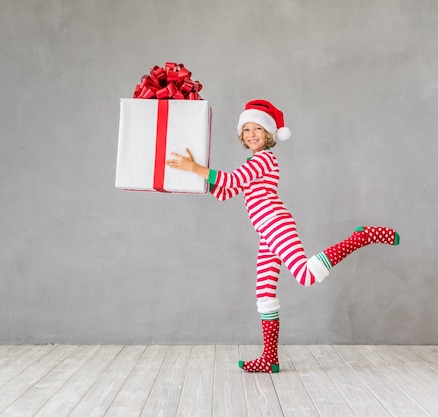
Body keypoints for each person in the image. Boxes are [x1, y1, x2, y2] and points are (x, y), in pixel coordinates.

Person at [166, 99, 399, 373]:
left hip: (276, 223)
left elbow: (229, 180)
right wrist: (194, 179)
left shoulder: (264, 159)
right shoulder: (252, 162)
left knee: (306, 276)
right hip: (267, 232)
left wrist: (194, 169)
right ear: (242, 135)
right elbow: (225, 191)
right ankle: (270, 358)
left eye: (258, 129)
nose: (251, 134)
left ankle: (363, 237)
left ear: (268, 135)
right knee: (264, 295)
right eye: (247, 129)